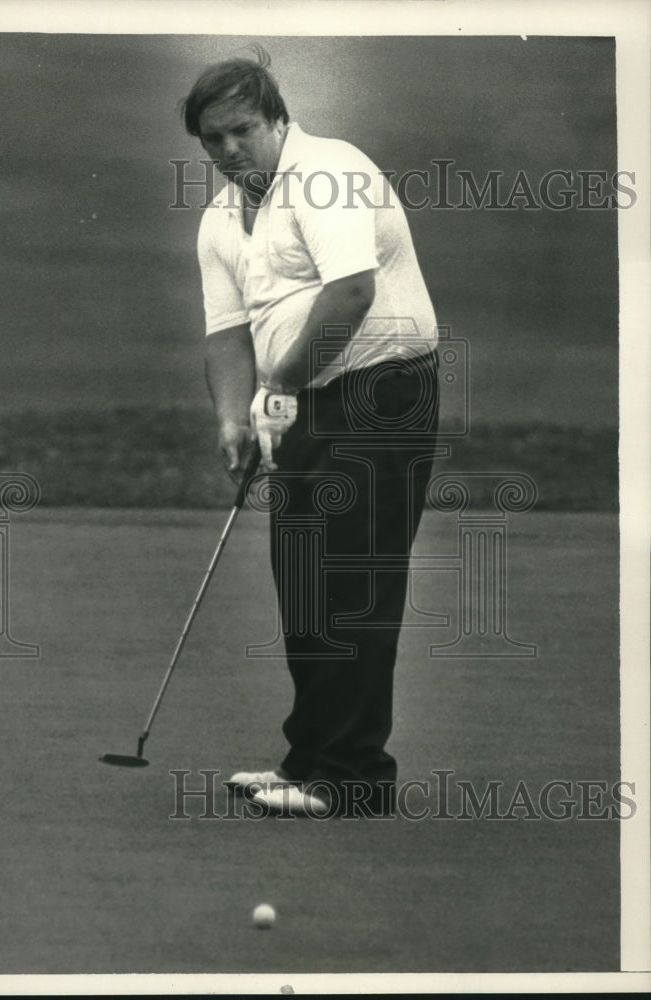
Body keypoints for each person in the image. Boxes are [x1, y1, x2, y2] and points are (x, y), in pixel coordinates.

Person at [182, 49, 439, 817]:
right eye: (213, 139)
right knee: (304, 580)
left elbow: (352, 293)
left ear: (278, 119)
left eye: (242, 130)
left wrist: (281, 386)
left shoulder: (329, 173)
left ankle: (352, 775)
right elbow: (228, 332)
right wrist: (235, 417)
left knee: (353, 583)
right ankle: (310, 759)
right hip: (302, 402)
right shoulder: (220, 219)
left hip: (380, 393)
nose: (230, 149)